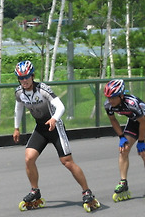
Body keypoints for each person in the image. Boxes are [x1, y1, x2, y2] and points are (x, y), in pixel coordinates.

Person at [12, 60, 95, 205]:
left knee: (67, 162)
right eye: (21, 78)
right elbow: (18, 108)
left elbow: (60, 106)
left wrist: (54, 119)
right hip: (41, 129)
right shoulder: (19, 92)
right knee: (28, 158)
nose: (24, 80)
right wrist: (16, 128)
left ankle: (86, 191)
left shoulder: (43, 89)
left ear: (33, 76)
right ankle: (34, 190)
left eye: (27, 77)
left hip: (55, 127)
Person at [104, 79, 145, 196]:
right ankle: (123, 182)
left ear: (121, 96)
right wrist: (121, 137)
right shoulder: (108, 105)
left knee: (143, 153)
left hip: (143, 122)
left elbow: (143, 122)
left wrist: (141, 141)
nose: (110, 100)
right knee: (124, 150)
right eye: (108, 97)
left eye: (113, 97)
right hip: (134, 122)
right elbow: (113, 120)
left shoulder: (131, 104)